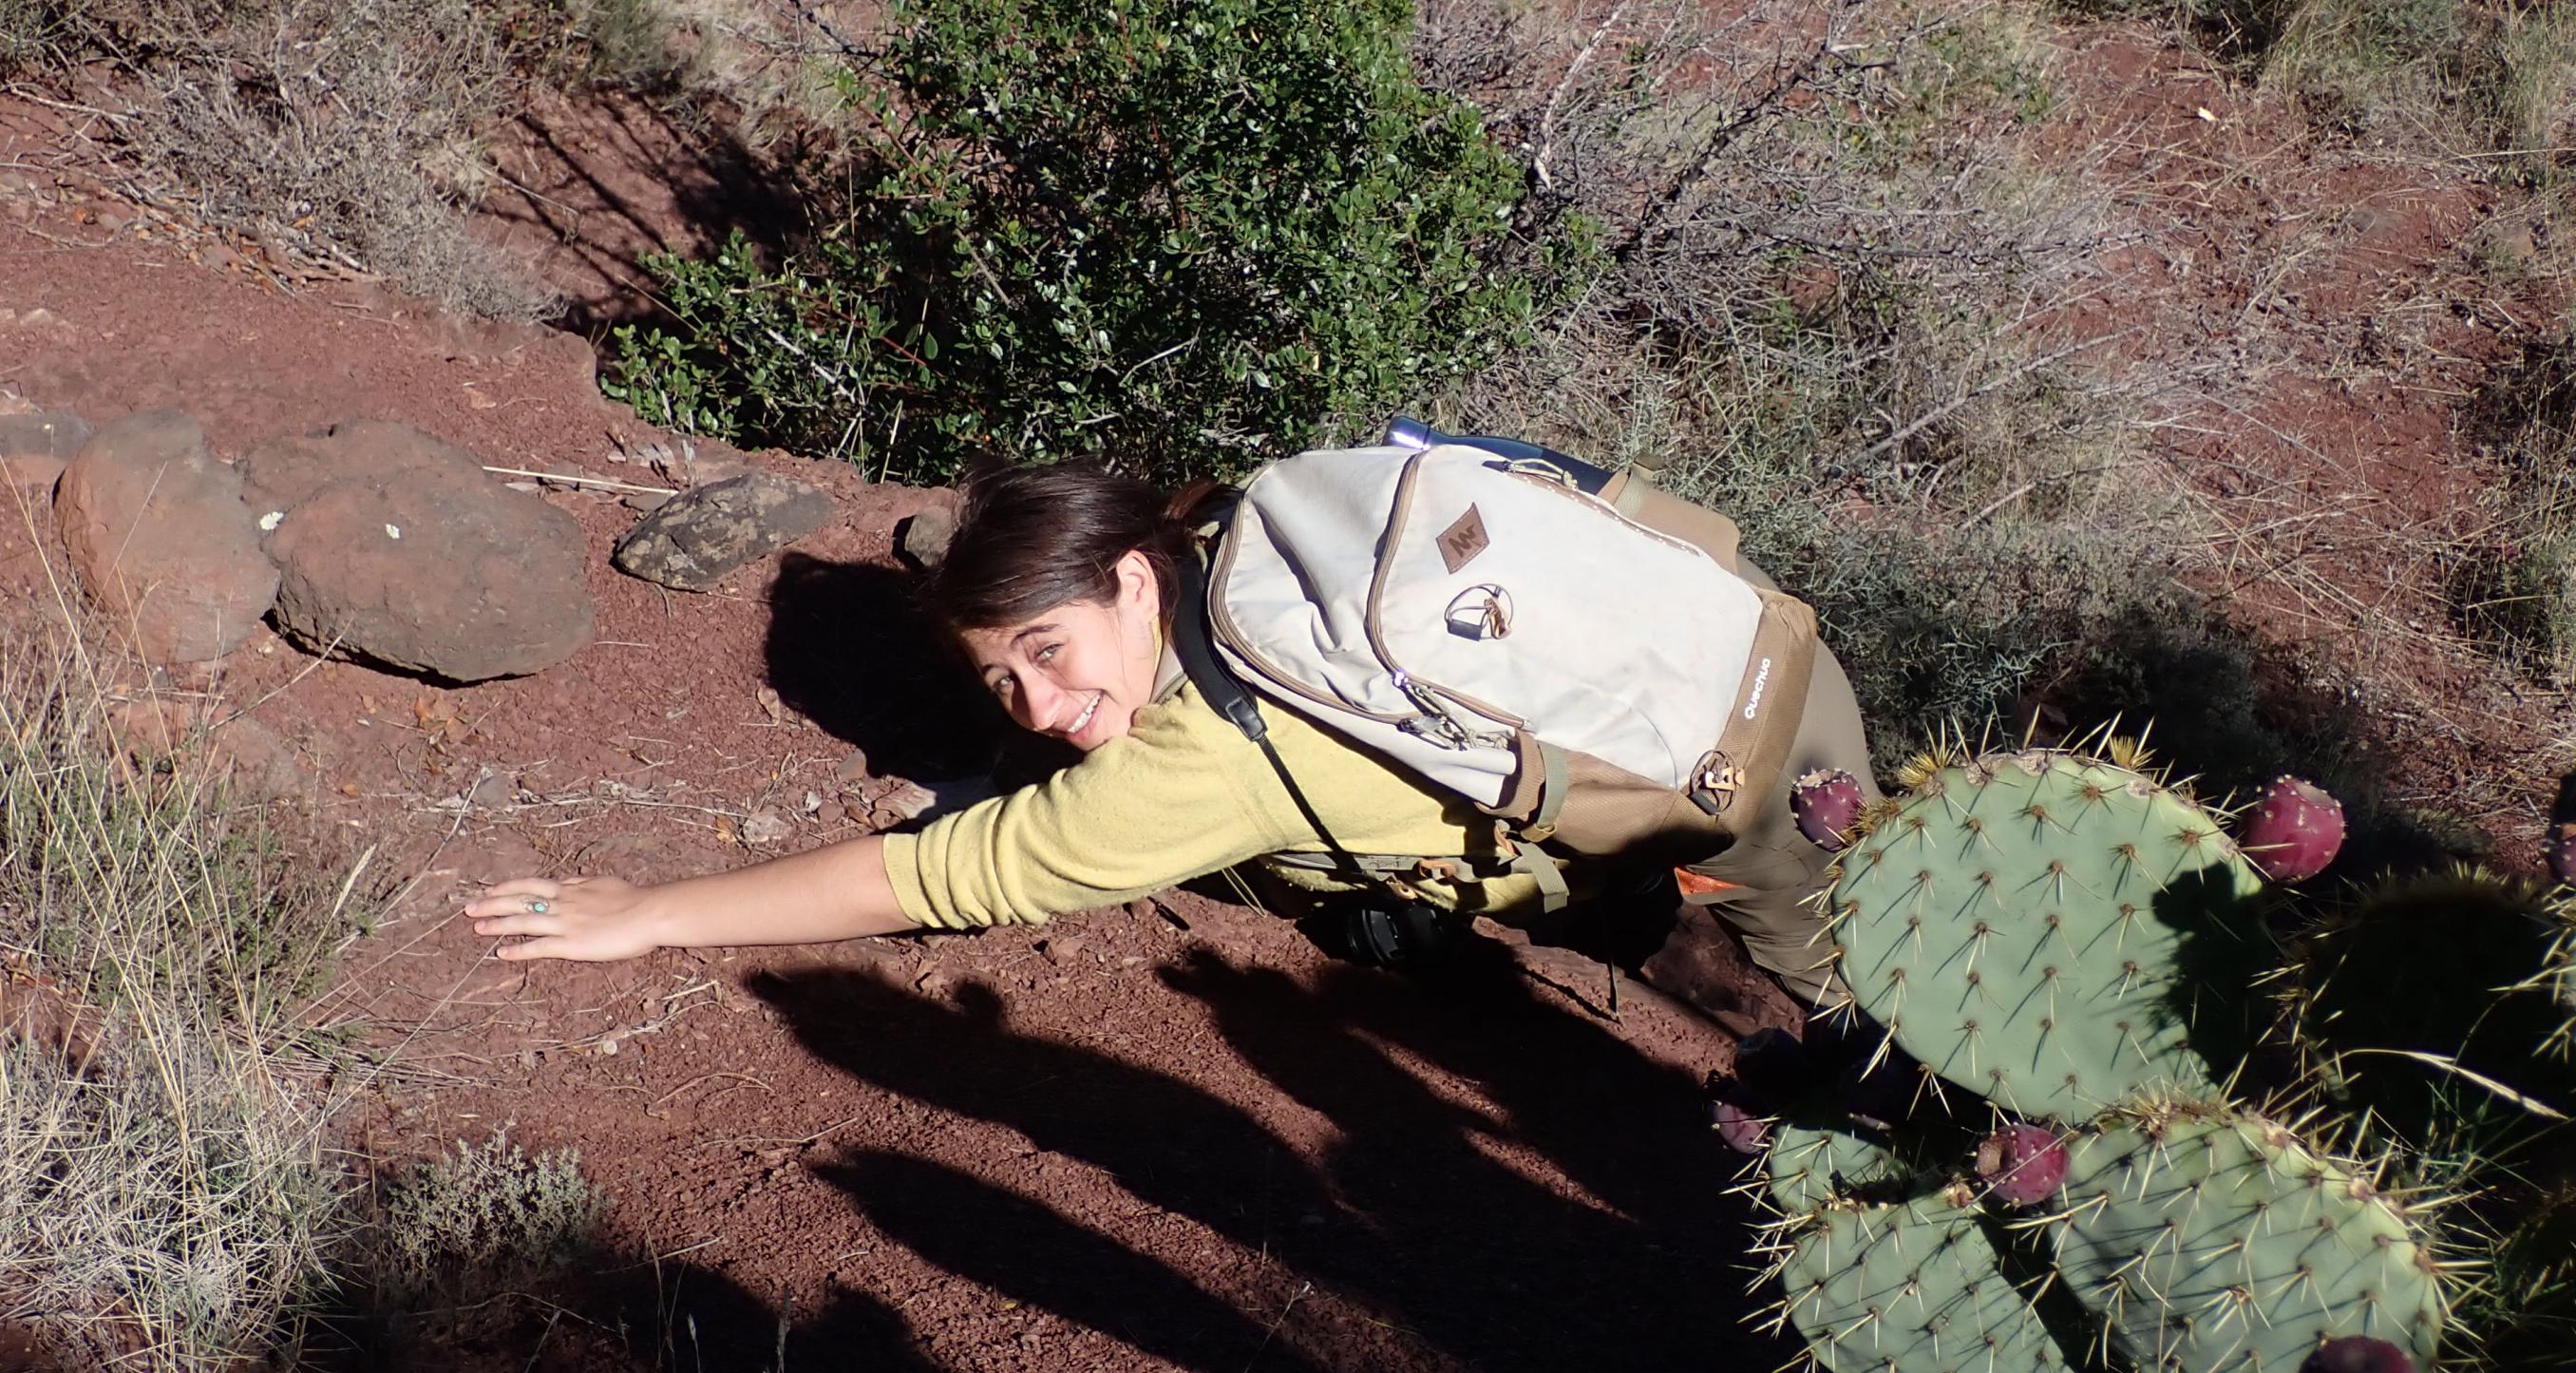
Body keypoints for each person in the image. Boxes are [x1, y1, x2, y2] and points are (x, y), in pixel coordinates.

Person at [465, 455, 1878, 1008]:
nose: (1043, 709)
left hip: (1747, 783)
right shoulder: (1238, 535)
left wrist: (651, 911)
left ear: (1131, 580)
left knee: (1874, 1015)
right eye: (1002, 682)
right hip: (1746, 629)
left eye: (1047, 651)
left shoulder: (1204, 761)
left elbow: (949, 880)